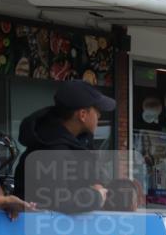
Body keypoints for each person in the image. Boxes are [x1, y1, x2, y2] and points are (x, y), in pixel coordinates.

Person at [13, 80, 115, 213]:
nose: (99, 116)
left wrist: (97, 183)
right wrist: (96, 197)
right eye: (97, 111)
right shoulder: (51, 150)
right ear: (83, 115)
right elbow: (59, 201)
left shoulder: (78, 143)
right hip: (39, 229)